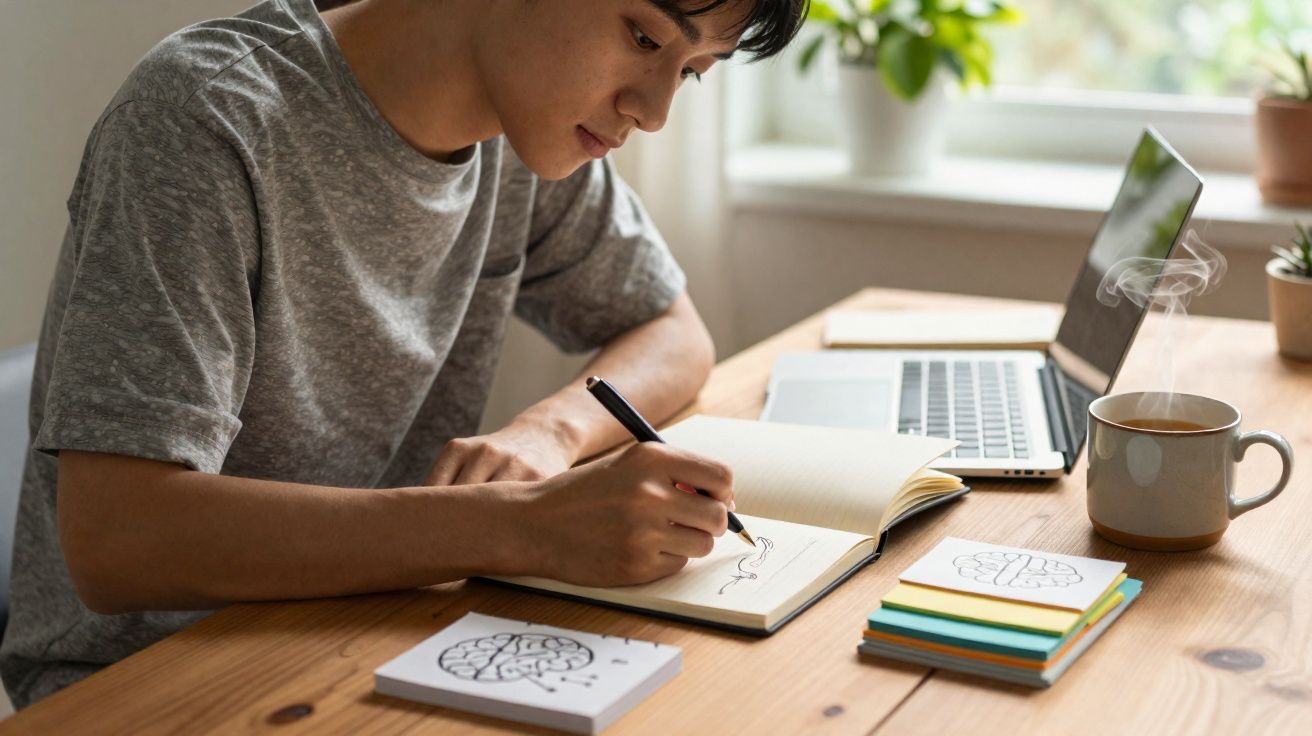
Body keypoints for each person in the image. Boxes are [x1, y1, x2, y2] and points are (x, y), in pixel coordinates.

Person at [0, 0, 806, 709]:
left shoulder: (530, 127)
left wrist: (550, 434)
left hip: (369, 632)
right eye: (642, 35)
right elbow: (120, 539)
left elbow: (672, 329)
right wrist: (518, 528)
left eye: (693, 70)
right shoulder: (206, 117)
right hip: (144, 685)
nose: (655, 109)